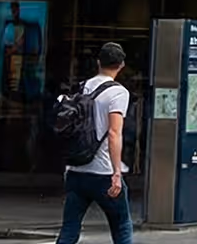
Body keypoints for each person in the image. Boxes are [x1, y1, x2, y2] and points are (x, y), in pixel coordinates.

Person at [57, 43, 132, 244]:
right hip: (103, 173)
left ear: (98, 62)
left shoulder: (82, 87)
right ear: (121, 65)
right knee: (122, 226)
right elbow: (114, 133)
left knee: (69, 229)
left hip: (76, 169)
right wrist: (117, 173)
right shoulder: (118, 93)